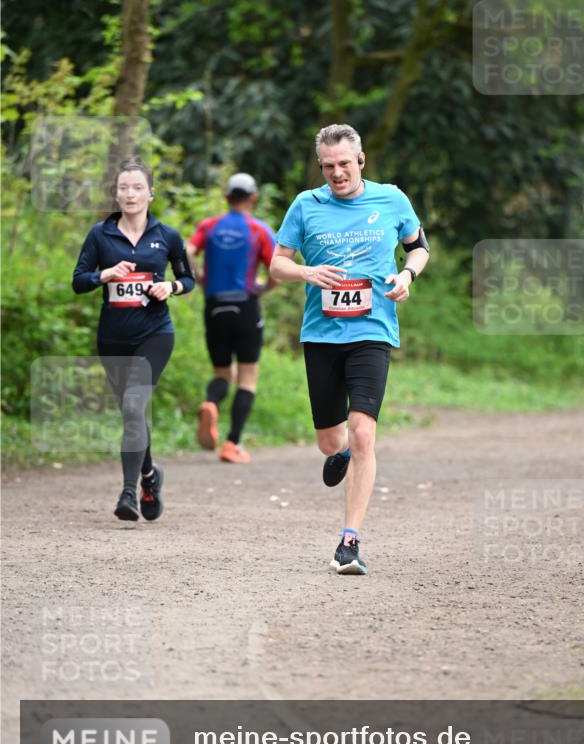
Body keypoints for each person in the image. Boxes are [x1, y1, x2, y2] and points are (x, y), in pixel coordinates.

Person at [270, 124, 429, 575]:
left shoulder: (391, 199)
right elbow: (277, 264)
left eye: (344, 164)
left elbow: (419, 248)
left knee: (362, 433)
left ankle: (349, 542)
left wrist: (407, 275)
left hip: (373, 331)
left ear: (361, 161)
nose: (337, 173)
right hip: (321, 335)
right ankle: (337, 453)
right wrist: (307, 273)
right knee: (331, 440)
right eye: (328, 166)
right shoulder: (307, 205)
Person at [72, 157, 194, 522]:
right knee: (132, 412)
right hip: (112, 338)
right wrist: (104, 275)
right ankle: (150, 476)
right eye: (124, 187)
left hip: (155, 334)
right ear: (116, 193)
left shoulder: (167, 236)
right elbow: (78, 281)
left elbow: (188, 279)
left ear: (150, 194)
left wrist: (170, 287)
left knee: (133, 405)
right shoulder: (100, 235)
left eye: (138, 187)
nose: (130, 194)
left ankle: (128, 493)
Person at [186, 172, 276, 463]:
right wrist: (265, 287)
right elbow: (277, 267)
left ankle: (211, 403)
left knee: (222, 373)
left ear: (226, 198)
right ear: (254, 198)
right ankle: (232, 444)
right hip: (245, 307)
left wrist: (199, 276)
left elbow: (187, 250)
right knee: (247, 376)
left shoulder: (209, 226)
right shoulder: (259, 229)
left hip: (214, 307)